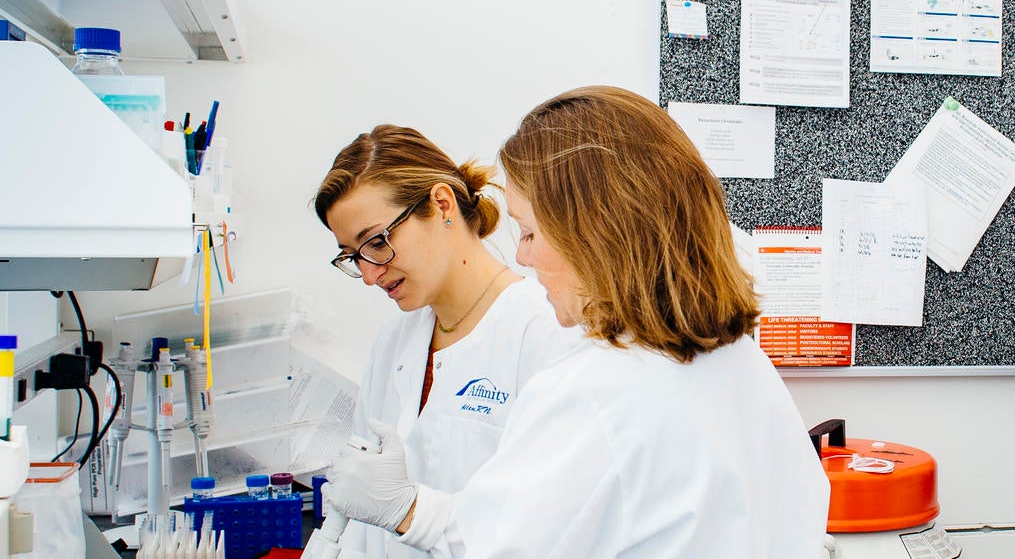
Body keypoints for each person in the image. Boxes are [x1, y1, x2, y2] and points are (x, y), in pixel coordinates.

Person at [319, 86, 829, 558]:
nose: (521, 255)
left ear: (594, 231)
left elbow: (501, 546)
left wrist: (406, 510)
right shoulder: (741, 361)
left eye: (529, 232)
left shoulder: (594, 385)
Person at [313, 125, 583, 559]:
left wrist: (410, 512)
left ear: (442, 204)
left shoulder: (544, 334)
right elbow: (363, 514)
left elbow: (548, 531)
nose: (368, 274)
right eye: (352, 255)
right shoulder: (394, 342)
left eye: (377, 242)